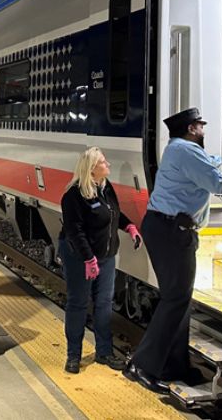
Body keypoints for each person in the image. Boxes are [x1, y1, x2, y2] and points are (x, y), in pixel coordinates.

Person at [124, 107, 222, 394]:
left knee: (180, 300)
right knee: (175, 299)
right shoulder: (185, 151)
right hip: (171, 232)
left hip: (170, 230)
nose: (204, 130)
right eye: (202, 126)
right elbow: (217, 182)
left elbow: (212, 162)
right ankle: (142, 365)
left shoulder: (182, 149)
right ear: (192, 128)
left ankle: (174, 366)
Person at [59, 147, 141, 374]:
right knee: (78, 302)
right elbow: (75, 231)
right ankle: (73, 356)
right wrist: (88, 259)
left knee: (104, 303)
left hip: (105, 256)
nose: (109, 166)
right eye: (104, 163)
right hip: (79, 256)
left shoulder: (106, 188)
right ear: (92, 168)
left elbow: (113, 213)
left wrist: (129, 226)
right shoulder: (74, 196)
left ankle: (104, 352)